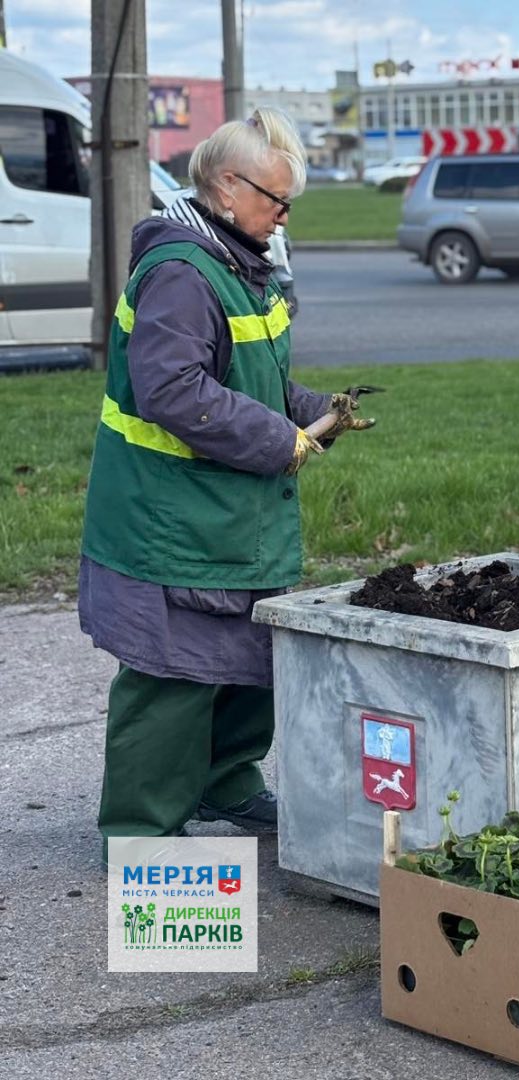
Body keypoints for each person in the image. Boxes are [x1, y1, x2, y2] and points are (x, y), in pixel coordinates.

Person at [79, 108, 373, 855]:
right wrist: (284, 440)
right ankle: (142, 834)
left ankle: (226, 782)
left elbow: (252, 378)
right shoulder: (182, 271)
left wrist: (319, 413)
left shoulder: (239, 263)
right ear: (224, 186)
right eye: (276, 200)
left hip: (227, 517)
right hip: (172, 521)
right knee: (172, 675)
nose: (282, 217)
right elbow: (173, 391)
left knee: (247, 661)